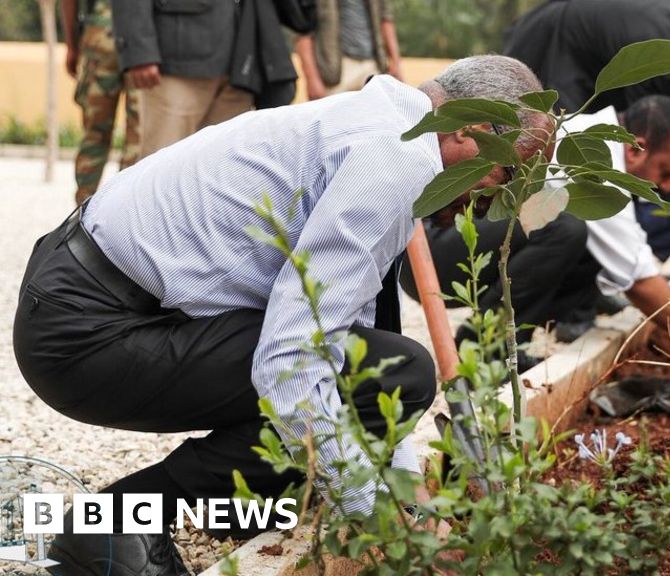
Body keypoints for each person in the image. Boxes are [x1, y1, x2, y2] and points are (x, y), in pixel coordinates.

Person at [13, 55, 549, 575]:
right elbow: (291, 365)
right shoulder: (396, 160)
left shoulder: (384, 125)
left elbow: (348, 340)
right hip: (86, 332)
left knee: (376, 376)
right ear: (472, 131)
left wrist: (413, 503)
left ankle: (245, 505)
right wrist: (391, 526)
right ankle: (110, 521)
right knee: (393, 375)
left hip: (82, 298)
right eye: (502, 176)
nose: (488, 201)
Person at [402, 95, 670, 390]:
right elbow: (640, 283)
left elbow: (632, 263)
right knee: (567, 228)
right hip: (435, 257)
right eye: (665, 171)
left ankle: (504, 341)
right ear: (637, 148)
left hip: (468, 251)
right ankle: (486, 348)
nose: (666, 187)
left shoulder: (608, 147)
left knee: (593, 247)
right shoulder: (593, 155)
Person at [503, 0, 670, 113]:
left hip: (575, 39)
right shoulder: (666, 60)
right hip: (553, 43)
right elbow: (644, 125)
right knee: (547, 138)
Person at [111, 0, 256, 157]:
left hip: (242, 59)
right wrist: (139, 50)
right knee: (165, 161)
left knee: (224, 164)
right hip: (177, 59)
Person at [60, 0, 140, 205]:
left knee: (95, 133)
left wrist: (71, 44)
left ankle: (82, 213)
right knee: (138, 136)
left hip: (99, 36)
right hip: (142, 39)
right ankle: (125, 208)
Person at [296, 0, 404, 100]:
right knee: (334, 120)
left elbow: (386, 18)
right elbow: (302, 32)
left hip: (373, 66)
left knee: (376, 119)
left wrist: (395, 62)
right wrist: (312, 79)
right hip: (334, 72)